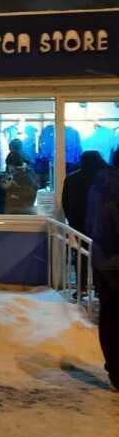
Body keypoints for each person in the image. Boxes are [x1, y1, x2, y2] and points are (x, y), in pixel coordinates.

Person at [86, 152, 119, 390]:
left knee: (109, 316)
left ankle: (115, 373)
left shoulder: (99, 184)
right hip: (113, 258)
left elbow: (90, 221)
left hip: (103, 259)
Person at [62, 150, 106, 234]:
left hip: (76, 224)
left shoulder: (70, 178)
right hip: (99, 226)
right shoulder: (103, 179)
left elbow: (65, 203)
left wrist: (71, 219)